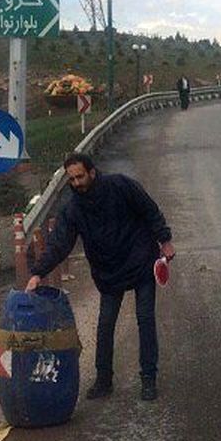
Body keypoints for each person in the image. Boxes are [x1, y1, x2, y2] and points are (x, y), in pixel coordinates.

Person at [26, 152, 175, 402]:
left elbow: (150, 210)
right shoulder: (73, 209)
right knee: (105, 325)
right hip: (109, 271)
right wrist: (38, 273)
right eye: (71, 179)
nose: (76, 183)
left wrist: (165, 240)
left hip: (141, 261)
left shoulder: (121, 186)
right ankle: (104, 380)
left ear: (92, 172)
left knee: (145, 319)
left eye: (80, 177)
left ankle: (148, 379)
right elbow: (60, 243)